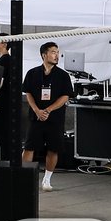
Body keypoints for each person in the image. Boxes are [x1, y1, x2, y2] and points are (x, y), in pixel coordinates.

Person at [22, 41, 72, 192]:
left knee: (53, 149)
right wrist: (37, 110)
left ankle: (47, 179)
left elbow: (65, 97)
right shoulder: (32, 73)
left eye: (57, 52)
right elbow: (28, 92)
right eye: (53, 52)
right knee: (29, 147)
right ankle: (24, 179)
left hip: (55, 119)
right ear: (44, 55)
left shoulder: (63, 75)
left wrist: (48, 110)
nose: (56, 55)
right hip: (36, 117)